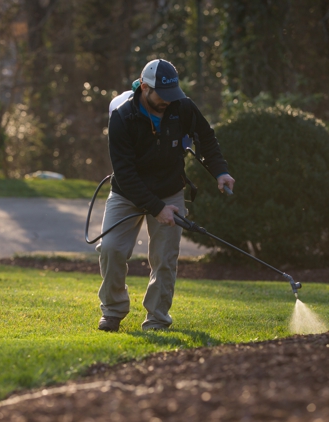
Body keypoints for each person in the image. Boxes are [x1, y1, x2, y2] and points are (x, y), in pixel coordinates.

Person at [97, 59, 235, 332]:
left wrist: (220, 171)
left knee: (164, 258)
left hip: (170, 189)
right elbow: (125, 173)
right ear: (145, 88)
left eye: (172, 95)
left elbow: (205, 137)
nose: (168, 101)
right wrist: (156, 208)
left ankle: (157, 319)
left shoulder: (181, 106)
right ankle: (113, 311)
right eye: (162, 95)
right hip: (128, 192)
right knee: (111, 248)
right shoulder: (123, 118)